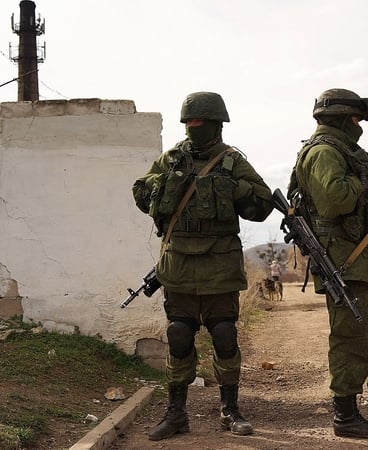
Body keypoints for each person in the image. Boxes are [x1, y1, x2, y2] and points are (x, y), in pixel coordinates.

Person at [132, 91, 274, 441]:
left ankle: (230, 409)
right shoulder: (171, 160)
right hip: (178, 264)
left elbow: (263, 204)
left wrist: (232, 189)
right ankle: (176, 413)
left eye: (200, 122)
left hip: (220, 266)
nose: (193, 127)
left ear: (217, 124)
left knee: (224, 335)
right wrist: (162, 186)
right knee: (178, 335)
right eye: (189, 122)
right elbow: (140, 193)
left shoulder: (232, 161)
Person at [287, 88, 368, 439]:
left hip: (362, 260)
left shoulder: (346, 152)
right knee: (350, 338)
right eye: (356, 119)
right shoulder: (324, 152)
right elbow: (335, 200)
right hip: (343, 260)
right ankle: (345, 414)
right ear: (342, 119)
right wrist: (362, 182)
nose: (359, 126)